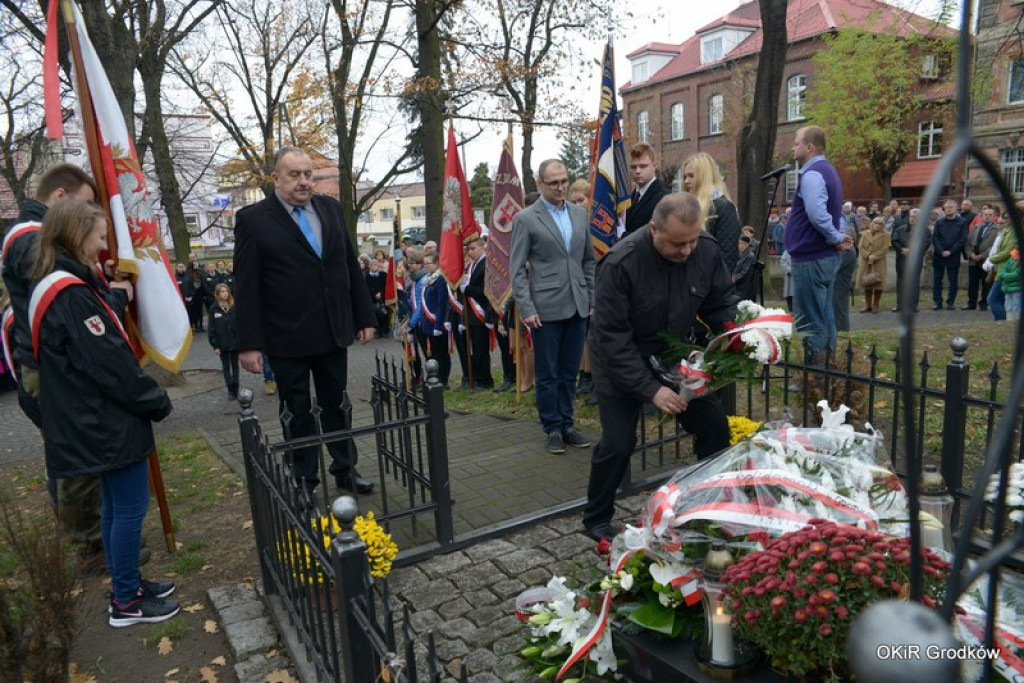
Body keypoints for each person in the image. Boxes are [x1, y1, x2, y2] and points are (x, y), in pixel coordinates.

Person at [29, 198, 176, 627]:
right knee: (130, 506)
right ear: (77, 233)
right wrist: (154, 400)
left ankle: (125, 583)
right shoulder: (70, 293)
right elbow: (109, 363)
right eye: (98, 234)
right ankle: (127, 602)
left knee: (114, 505)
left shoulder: (62, 283)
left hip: (90, 419)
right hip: (102, 420)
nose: (104, 241)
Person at [583, 193, 737, 541]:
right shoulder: (622, 263)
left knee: (713, 425)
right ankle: (596, 517)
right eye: (678, 243)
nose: (687, 251)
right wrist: (651, 390)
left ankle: (704, 501)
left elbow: (720, 302)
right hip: (620, 358)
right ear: (654, 229)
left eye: (693, 241)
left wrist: (739, 333)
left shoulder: (706, 250)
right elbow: (611, 338)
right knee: (619, 442)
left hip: (672, 353)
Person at [234, 146, 377, 498]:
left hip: (332, 328)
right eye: (295, 174)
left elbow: (347, 265)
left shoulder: (329, 209)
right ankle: (304, 480)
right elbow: (246, 285)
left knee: (337, 405)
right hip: (288, 335)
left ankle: (345, 469)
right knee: (296, 411)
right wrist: (249, 343)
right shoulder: (254, 219)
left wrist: (364, 315)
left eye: (308, 174)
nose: (304, 181)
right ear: (276, 178)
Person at [1, 163, 118, 576]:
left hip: (51, 366)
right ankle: (90, 547)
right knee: (74, 457)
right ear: (61, 199)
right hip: (48, 370)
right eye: (86, 208)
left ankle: (94, 538)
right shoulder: (29, 241)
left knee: (75, 452)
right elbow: (64, 308)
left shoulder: (37, 238)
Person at [510, 159, 596, 454]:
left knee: (569, 370)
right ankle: (552, 428)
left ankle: (568, 423)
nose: (561, 187)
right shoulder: (526, 218)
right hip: (544, 307)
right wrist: (526, 306)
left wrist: (591, 298)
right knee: (548, 372)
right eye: (554, 183)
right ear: (540, 184)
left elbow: (587, 260)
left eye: (564, 181)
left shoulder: (579, 214)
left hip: (577, 304)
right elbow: (517, 268)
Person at [784, 126, 853, 365]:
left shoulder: (813, 173)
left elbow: (817, 214)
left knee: (810, 318)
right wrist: (838, 236)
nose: (793, 147)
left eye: (796, 143)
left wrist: (836, 238)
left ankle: (813, 374)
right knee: (825, 315)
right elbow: (835, 213)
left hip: (812, 258)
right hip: (822, 256)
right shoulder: (828, 170)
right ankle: (828, 367)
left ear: (809, 147)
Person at [683, 152, 742, 272]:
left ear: (704, 176)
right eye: (685, 177)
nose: (686, 181)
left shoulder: (723, 207)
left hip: (708, 280)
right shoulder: (689, 206)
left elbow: (728, 256)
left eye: (691, 176)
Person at [462, 237, 495, 390]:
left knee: (481, 349)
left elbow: (484, 290)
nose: (470, 252)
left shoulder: (486, 264)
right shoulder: (472, 265)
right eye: (468, 249)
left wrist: (466, 289)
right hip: (471, 314)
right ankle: (477, 378)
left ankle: (485, 380)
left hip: (481, 312)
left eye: (473, 248)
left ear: (482, 247)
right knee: (475, 347)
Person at [417, 253, 451, 387]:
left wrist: (438, 325)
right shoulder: (428, 279)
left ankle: (443, 379)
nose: (425, 266)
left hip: (437, 323)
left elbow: (442, 303)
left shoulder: (440, 279)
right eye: (424, 263)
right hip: (428, 324)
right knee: (433, 354)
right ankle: (434, 378)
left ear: (436, 264)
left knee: (442, 353)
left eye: (428, 263)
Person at [623, 144, 671, 235]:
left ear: (654, 166)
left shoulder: (664, 198)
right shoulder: (632, 197)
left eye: (643, 166)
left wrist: (622, 235)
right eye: (633, 167)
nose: (637, 171)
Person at [931, 199, 967, 310]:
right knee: (937, 280)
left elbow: (962, 239)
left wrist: (951, 251)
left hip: (953, 255)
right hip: (939, 255)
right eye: (946, 207)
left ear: (956, 209)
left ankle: (950, 302)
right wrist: (941, 251)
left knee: (953, 281)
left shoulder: (962, 222)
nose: (948, 209)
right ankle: (937, 302)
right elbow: (935, 237)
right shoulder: (939, 222)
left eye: (951, 207)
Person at [962, 206, 998, 311]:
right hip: (973, 260)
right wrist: (971, 254)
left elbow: (995, 246)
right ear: (982, 215)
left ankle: (984, 303)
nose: (987, 217)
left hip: (986, 260)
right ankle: (971, 303)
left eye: (990, 215)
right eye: (985, 215)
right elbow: (967, 244)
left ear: (994, 216)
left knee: (986, 283)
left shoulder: (996, 229)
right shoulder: (976, 227)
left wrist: (983, 255)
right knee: (972, 283)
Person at [208, 283, 240, 400]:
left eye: (226, 291)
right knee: (226, 367)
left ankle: (236, 388)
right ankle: (230, 390)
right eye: (222, 291)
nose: (225, 293)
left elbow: (239, 325)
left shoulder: (234, 306)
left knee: (235, 366)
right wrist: (215, 346)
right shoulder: (214, 308)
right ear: (217, 294)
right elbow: (211, 329)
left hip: (235, 343)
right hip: (222, 344)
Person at [856, 217, 891, 314]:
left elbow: (885, 249)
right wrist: (867, 255)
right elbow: (860, 247)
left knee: (878, 283)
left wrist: (875, 256)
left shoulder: (886, 235)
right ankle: (867, 304)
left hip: (878, 262)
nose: (877, 225)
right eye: (876, 223)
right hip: (866, 261)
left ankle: (876, 304)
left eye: (880, 224)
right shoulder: (865, 234)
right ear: (872, 223)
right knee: (867, 282)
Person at [833, 207, 860, 330]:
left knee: (838, 305)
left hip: (838, 286)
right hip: (839, 285)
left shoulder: (847, 252)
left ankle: (841, 330)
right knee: (839, 304)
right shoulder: (849, 251)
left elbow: (832, 268)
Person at [889, 207, 919, 312]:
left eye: (915, 217)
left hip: (915, 260)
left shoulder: (924, 231)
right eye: (911, 216)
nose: (912, 219)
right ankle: (900, 304)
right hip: (902, 259)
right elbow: (894, 240)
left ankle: (913, 305)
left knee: (914, 282)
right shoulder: (900, 229)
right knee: (901, 282)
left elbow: (925, 243)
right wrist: (901, 249)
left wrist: (912, 251)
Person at [733, 235, 756, 300]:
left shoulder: (749, 256)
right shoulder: (737, 253)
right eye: (740, 243)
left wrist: (734, 278)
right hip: (735, 283)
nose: (741, 246)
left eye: (744, 244)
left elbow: (744, 272)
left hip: (742, 285)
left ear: (748, 245)